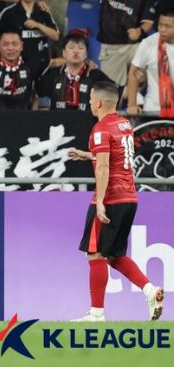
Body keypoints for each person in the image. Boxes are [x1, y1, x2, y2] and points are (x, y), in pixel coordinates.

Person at [67, 81, 165, 322]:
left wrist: (100, 201)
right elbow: (114, 157)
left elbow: (103, 166)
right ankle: (150, 290)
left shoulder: (100, 128)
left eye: (91, 98)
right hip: (129, 197)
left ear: (99, 102)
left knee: (95, 255)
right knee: (112, 255)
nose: (90, 102)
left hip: (110, 198)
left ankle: (96, 313)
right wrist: (88, 155)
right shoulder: (124, 124)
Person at [79, 0, 156, 87]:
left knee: (141, 79)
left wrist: (139, 31)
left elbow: (149, 20)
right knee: (111, 91)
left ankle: (135, 96)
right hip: (111, 47)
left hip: (135, 46)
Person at [0, 0, 59, 79]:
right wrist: (8, 60)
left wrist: (38, 25)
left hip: (42, 70)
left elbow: (56, 36)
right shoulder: (8, 13)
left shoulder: (44, 12)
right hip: (15, 71)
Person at [36, 31, 113, 111]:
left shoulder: (95, 75)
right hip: (58, 119)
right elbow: (38, 92)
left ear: (86, 54)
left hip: (87, 119)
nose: (76, 51)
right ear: (64, 53)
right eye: (71, 47)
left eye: (80, 48)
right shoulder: (54, 74)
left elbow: (114, 94)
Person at [127, 8, 174, 116]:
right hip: (154, 109)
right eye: (160, 25)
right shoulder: (148, 43)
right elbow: (133, 73)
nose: (162, 29)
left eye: (167, 26)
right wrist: (132, 104)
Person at [0, 28, 36, 110]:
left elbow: (38, 94)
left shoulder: (31, 65)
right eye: (5, 44)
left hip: (22, 117)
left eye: (15, 44)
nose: (10, 48)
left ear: (22, 46)